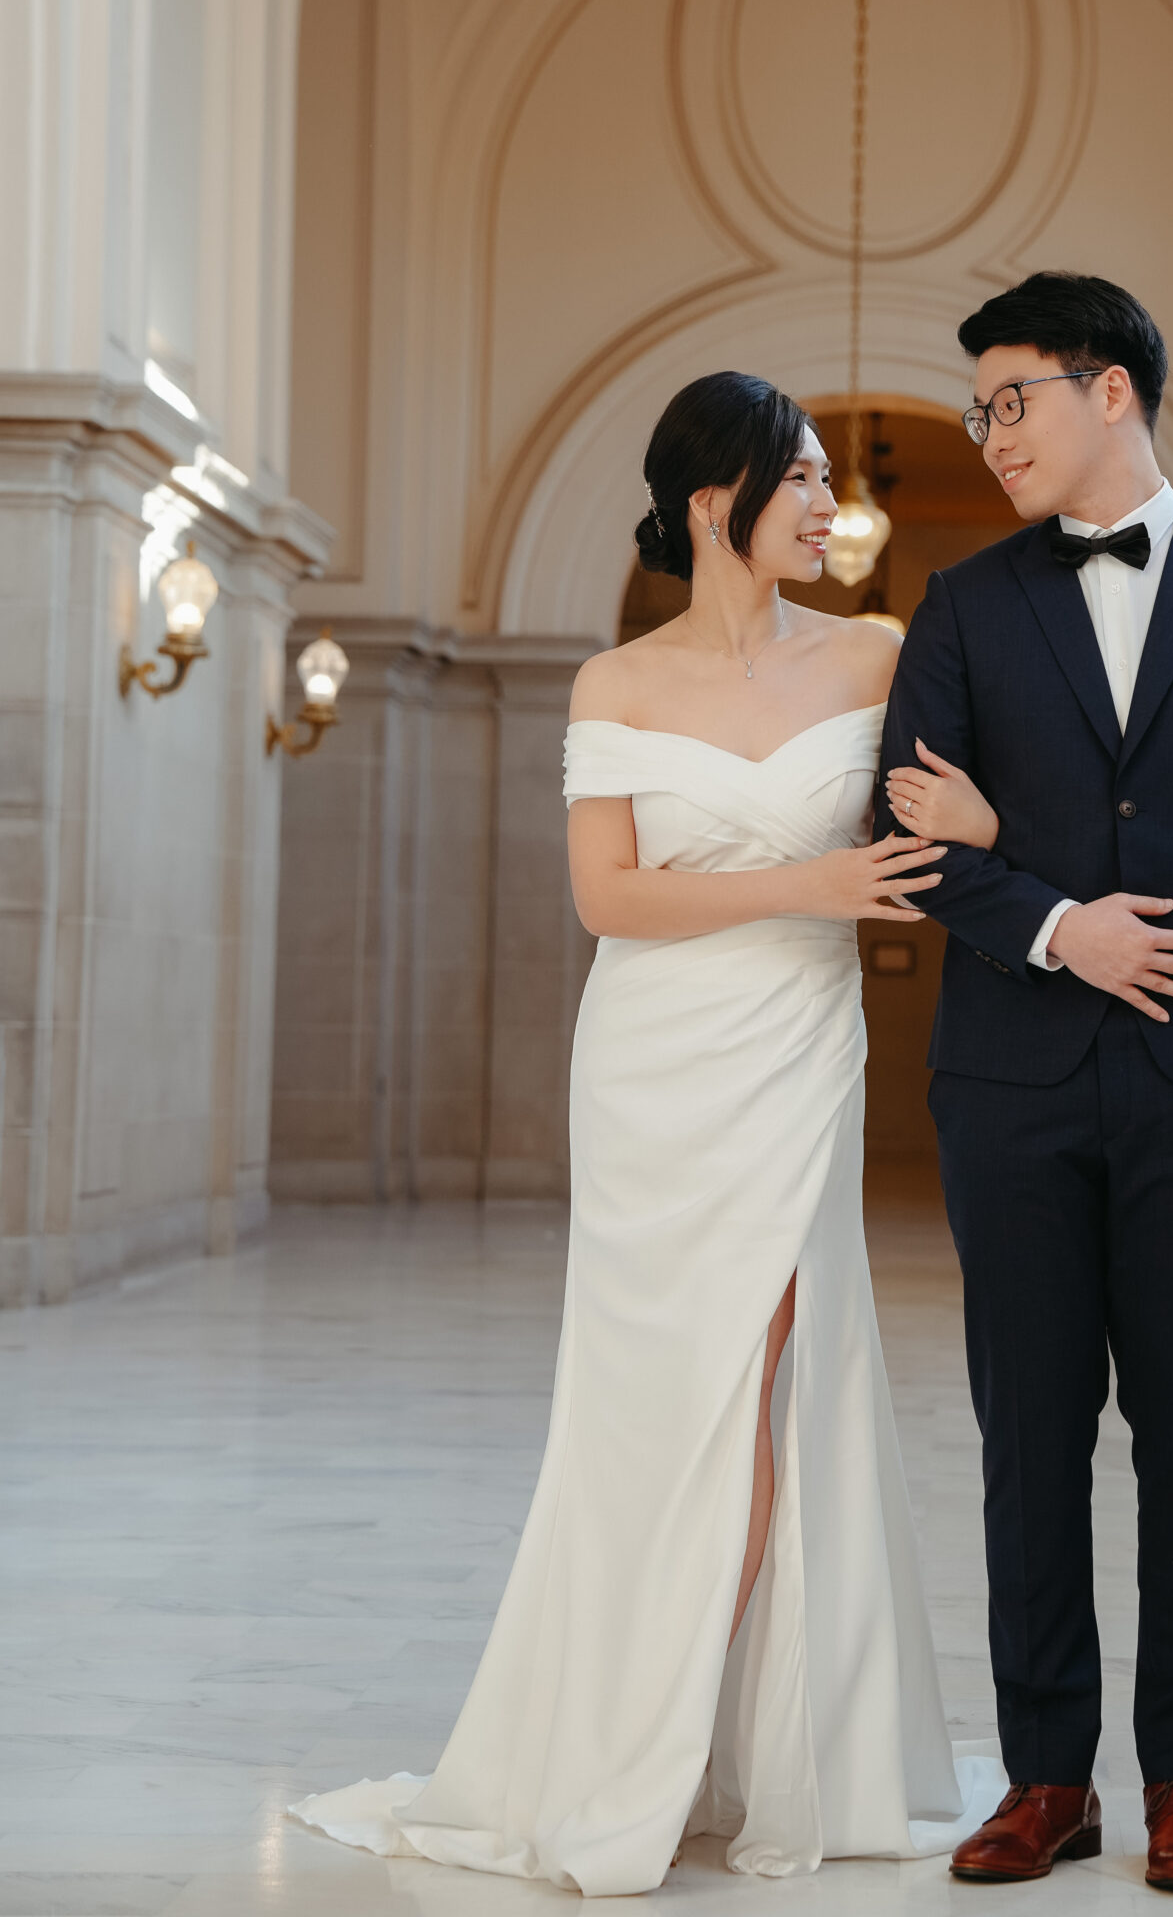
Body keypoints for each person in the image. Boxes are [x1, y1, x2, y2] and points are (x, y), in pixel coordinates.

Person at [291, 370, 1003, 1894]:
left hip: (798, 1055)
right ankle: (630, 1743)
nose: (827, 504)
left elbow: (978, 814)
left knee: (766, 1383)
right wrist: (804, 887)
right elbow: (607, 898)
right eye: (800, 479)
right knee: (652, 1395)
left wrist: (985, 837)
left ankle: (720, 1741)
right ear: (713, 501)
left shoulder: (882, 654)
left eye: (827, 479)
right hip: (650, 1064)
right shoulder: (614, 684)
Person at [877, 273, 1173, 1895]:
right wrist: (1059, 924)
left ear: (1111, 394)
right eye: (979, 410)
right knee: (1028, 1433)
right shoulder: (960, 604)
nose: (990, 432)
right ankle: (1043, 1778)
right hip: (1007, 1085)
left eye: (1010, 399)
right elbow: (911, 844)